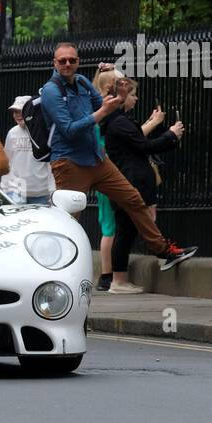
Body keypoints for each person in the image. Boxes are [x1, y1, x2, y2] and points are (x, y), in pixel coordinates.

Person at [39, 42, 196, 271]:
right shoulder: (52, 91)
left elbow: (105, 108)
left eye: (72, 60)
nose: (67, 64)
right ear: (54, 63)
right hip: (69, 163)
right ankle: (56, 265)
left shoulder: (82, 82)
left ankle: (163, 251)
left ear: (78, 61)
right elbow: (69, 129)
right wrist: (103, 110)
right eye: (62, 60)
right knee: (69, 218)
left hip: (96, 159)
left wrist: (118, 94)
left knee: (133, 198)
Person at [101, 73, 185, 293]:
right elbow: (144, 146)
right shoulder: (119, 122)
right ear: (121, 96)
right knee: (129, 229)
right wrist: (171, 135)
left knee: (126, 231)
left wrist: (157, 125)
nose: (135, 98)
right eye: (133, 94)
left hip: (127, 179)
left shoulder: (118, 121)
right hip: (132, 181)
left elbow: (137, 141)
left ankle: (119, 280)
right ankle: (163, 252)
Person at [91, 70, 118, 289]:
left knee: (108, 223)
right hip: (106, 169)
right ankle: (106, 274)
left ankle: (107, 273)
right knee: (109, 226)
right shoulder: (105, 109)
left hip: (103, 169)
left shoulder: (96, 105)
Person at [4, 95, 54, 205]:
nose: (18, 115)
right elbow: (7, 160)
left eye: (21, 111)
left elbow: (50, 163)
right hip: (16, 190)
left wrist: (52, 190)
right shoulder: (12, 133)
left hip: (41, 192)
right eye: (15, 112)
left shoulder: (42, 131)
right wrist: (6, 186)